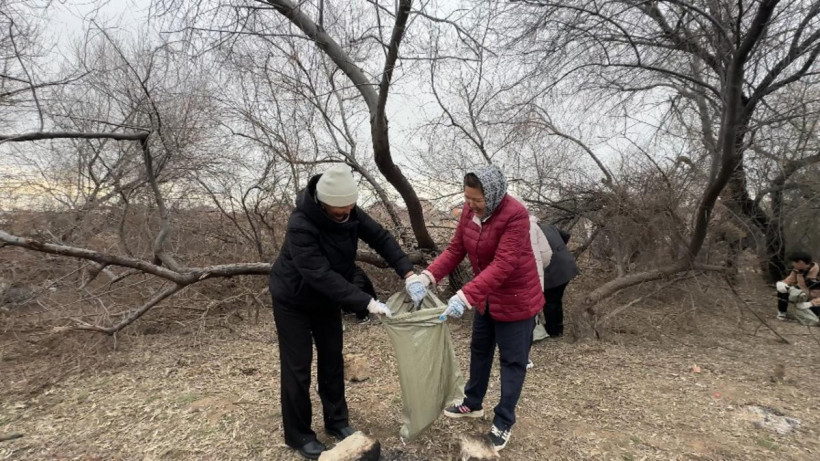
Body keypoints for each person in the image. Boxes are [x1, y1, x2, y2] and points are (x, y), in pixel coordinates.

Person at [268, 164, 428, 460]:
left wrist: (408, 273)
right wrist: (366, 302)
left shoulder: (351, 212)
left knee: (332, 358)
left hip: (327, 299)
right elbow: (319, 274)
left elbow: (381, 238)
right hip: (294, 300)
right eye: (338, 210)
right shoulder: (301, 223)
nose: (344, 214)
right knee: (297, 367)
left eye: (349, 208)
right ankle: (299, 434)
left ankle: (337, 422)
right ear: (323, 202)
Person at [413, 165, 544, 451]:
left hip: (517, 299)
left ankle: (504, 420)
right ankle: (473, 403)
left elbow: (504, 264)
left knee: (512, 362)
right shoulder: (469, 212)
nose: (471, 205)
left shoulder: (515, 215)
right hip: (486, 297)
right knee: (479, 350)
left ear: (494, 194)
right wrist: (428, 276)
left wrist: (464, 296)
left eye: (477, 200)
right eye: (468, 198)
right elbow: (455, 249)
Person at [537, 222, 580, 337]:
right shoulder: (546, 226)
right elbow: (566, 235)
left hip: (554, 269)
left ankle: (554, 331)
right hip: (567, 265)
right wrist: (558, 248)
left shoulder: (532, 232)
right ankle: (557, 328)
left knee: (550, 301)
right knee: (555, 299)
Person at [776, 251, 820, 320]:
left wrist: (812, 303)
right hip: (803, 296)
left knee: (816, 316)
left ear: (800, 262)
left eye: (794, 262)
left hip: (816, 300)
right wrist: (782, 284)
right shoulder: (797, 270)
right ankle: (782, 312)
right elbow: (789, 280)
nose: (792, 264)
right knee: (783, 289)